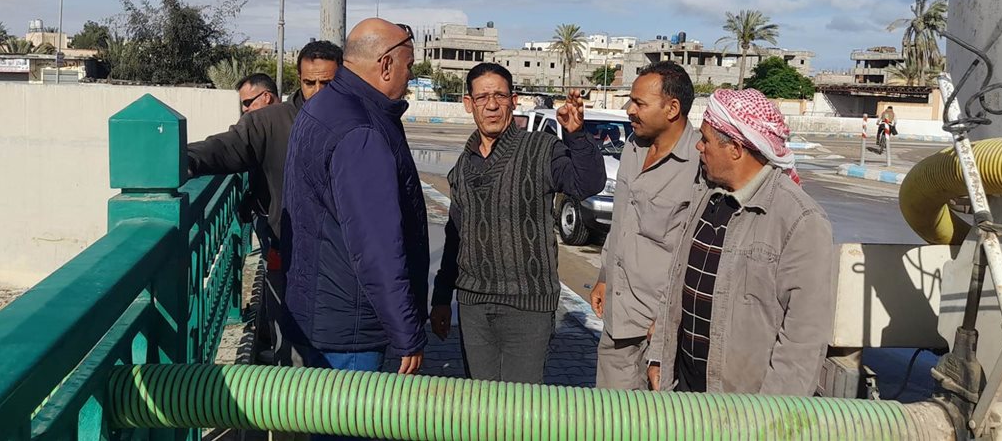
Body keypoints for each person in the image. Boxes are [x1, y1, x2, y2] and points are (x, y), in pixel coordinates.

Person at [648, 88, 836, 395]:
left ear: (735, 149)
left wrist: (772, 415)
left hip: (746, 409)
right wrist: (659, 356)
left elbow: (804, 339)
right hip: (684, 392)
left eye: (706, 140)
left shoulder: (800, 220)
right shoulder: (706, 196)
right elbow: (675, 286)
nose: (698, 146)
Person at [429, 63, 605, 384]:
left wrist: (577, 136)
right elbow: (455, 237)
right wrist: (441, 298)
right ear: (469, 103)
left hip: (528, 308)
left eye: (500, 96)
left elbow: (587, 183)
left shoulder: (540, 149)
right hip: (473, 306)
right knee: (479, 402)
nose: (492, 105)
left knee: (520, 406)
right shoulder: (463, 167)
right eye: (482, 97)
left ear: (513, 101)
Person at [280, 19, 427, 378]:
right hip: (351, 329)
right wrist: (406, 331)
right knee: (348, 411)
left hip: (321, 312)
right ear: (386, 64)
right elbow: (376, 245)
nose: (410, 76)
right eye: (408, 65)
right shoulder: (361, 130)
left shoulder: (324, 106)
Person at [186, 40, 342, 365]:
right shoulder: (270, 122)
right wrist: (182, 159)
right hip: (290, 258)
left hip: (344, 268)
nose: (317, 92)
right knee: (293, 356)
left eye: (327, 83)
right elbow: (229, 146)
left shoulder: (356, 121)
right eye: (309, 82)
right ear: (298, 79)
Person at [590, 61, 700, 390]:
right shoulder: (633, 148)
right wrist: (604, 276)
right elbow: (621, 223)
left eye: (639, 103)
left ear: (672, 108)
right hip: (617, 320)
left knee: (654, 418)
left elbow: (698, 256)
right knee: (608, 415)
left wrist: (666, 326)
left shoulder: (700, 163)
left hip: (660, 331)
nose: (630, 110)